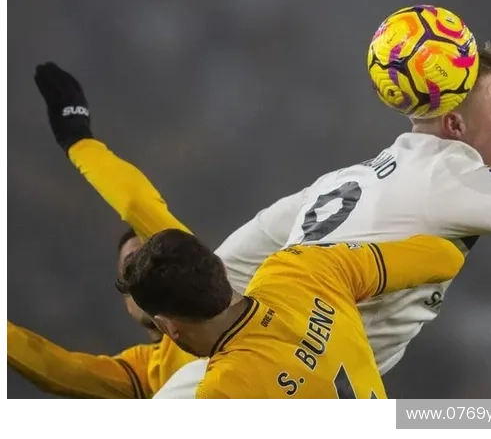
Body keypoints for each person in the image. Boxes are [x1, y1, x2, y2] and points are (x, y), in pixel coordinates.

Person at [153, 40, 491, 399]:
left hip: (216, 386)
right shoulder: (450, 177)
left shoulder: (343, 181)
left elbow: (228, 261)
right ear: (455, 126)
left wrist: (163, 304)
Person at [32, 62, 464, 398]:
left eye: (140, 251)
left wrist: (79, 141)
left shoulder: (217, 389)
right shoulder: (300, 275)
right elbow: (58, 367)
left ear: (169, 324)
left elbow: (137, 205)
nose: (139, 255)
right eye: (130, 262)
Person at [6, 228, 198, 399]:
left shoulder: (208, 314)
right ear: (127, 302)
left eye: (150, 263)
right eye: (130, 268)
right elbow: (62, 369)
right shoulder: (143, 369)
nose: (143, 275)